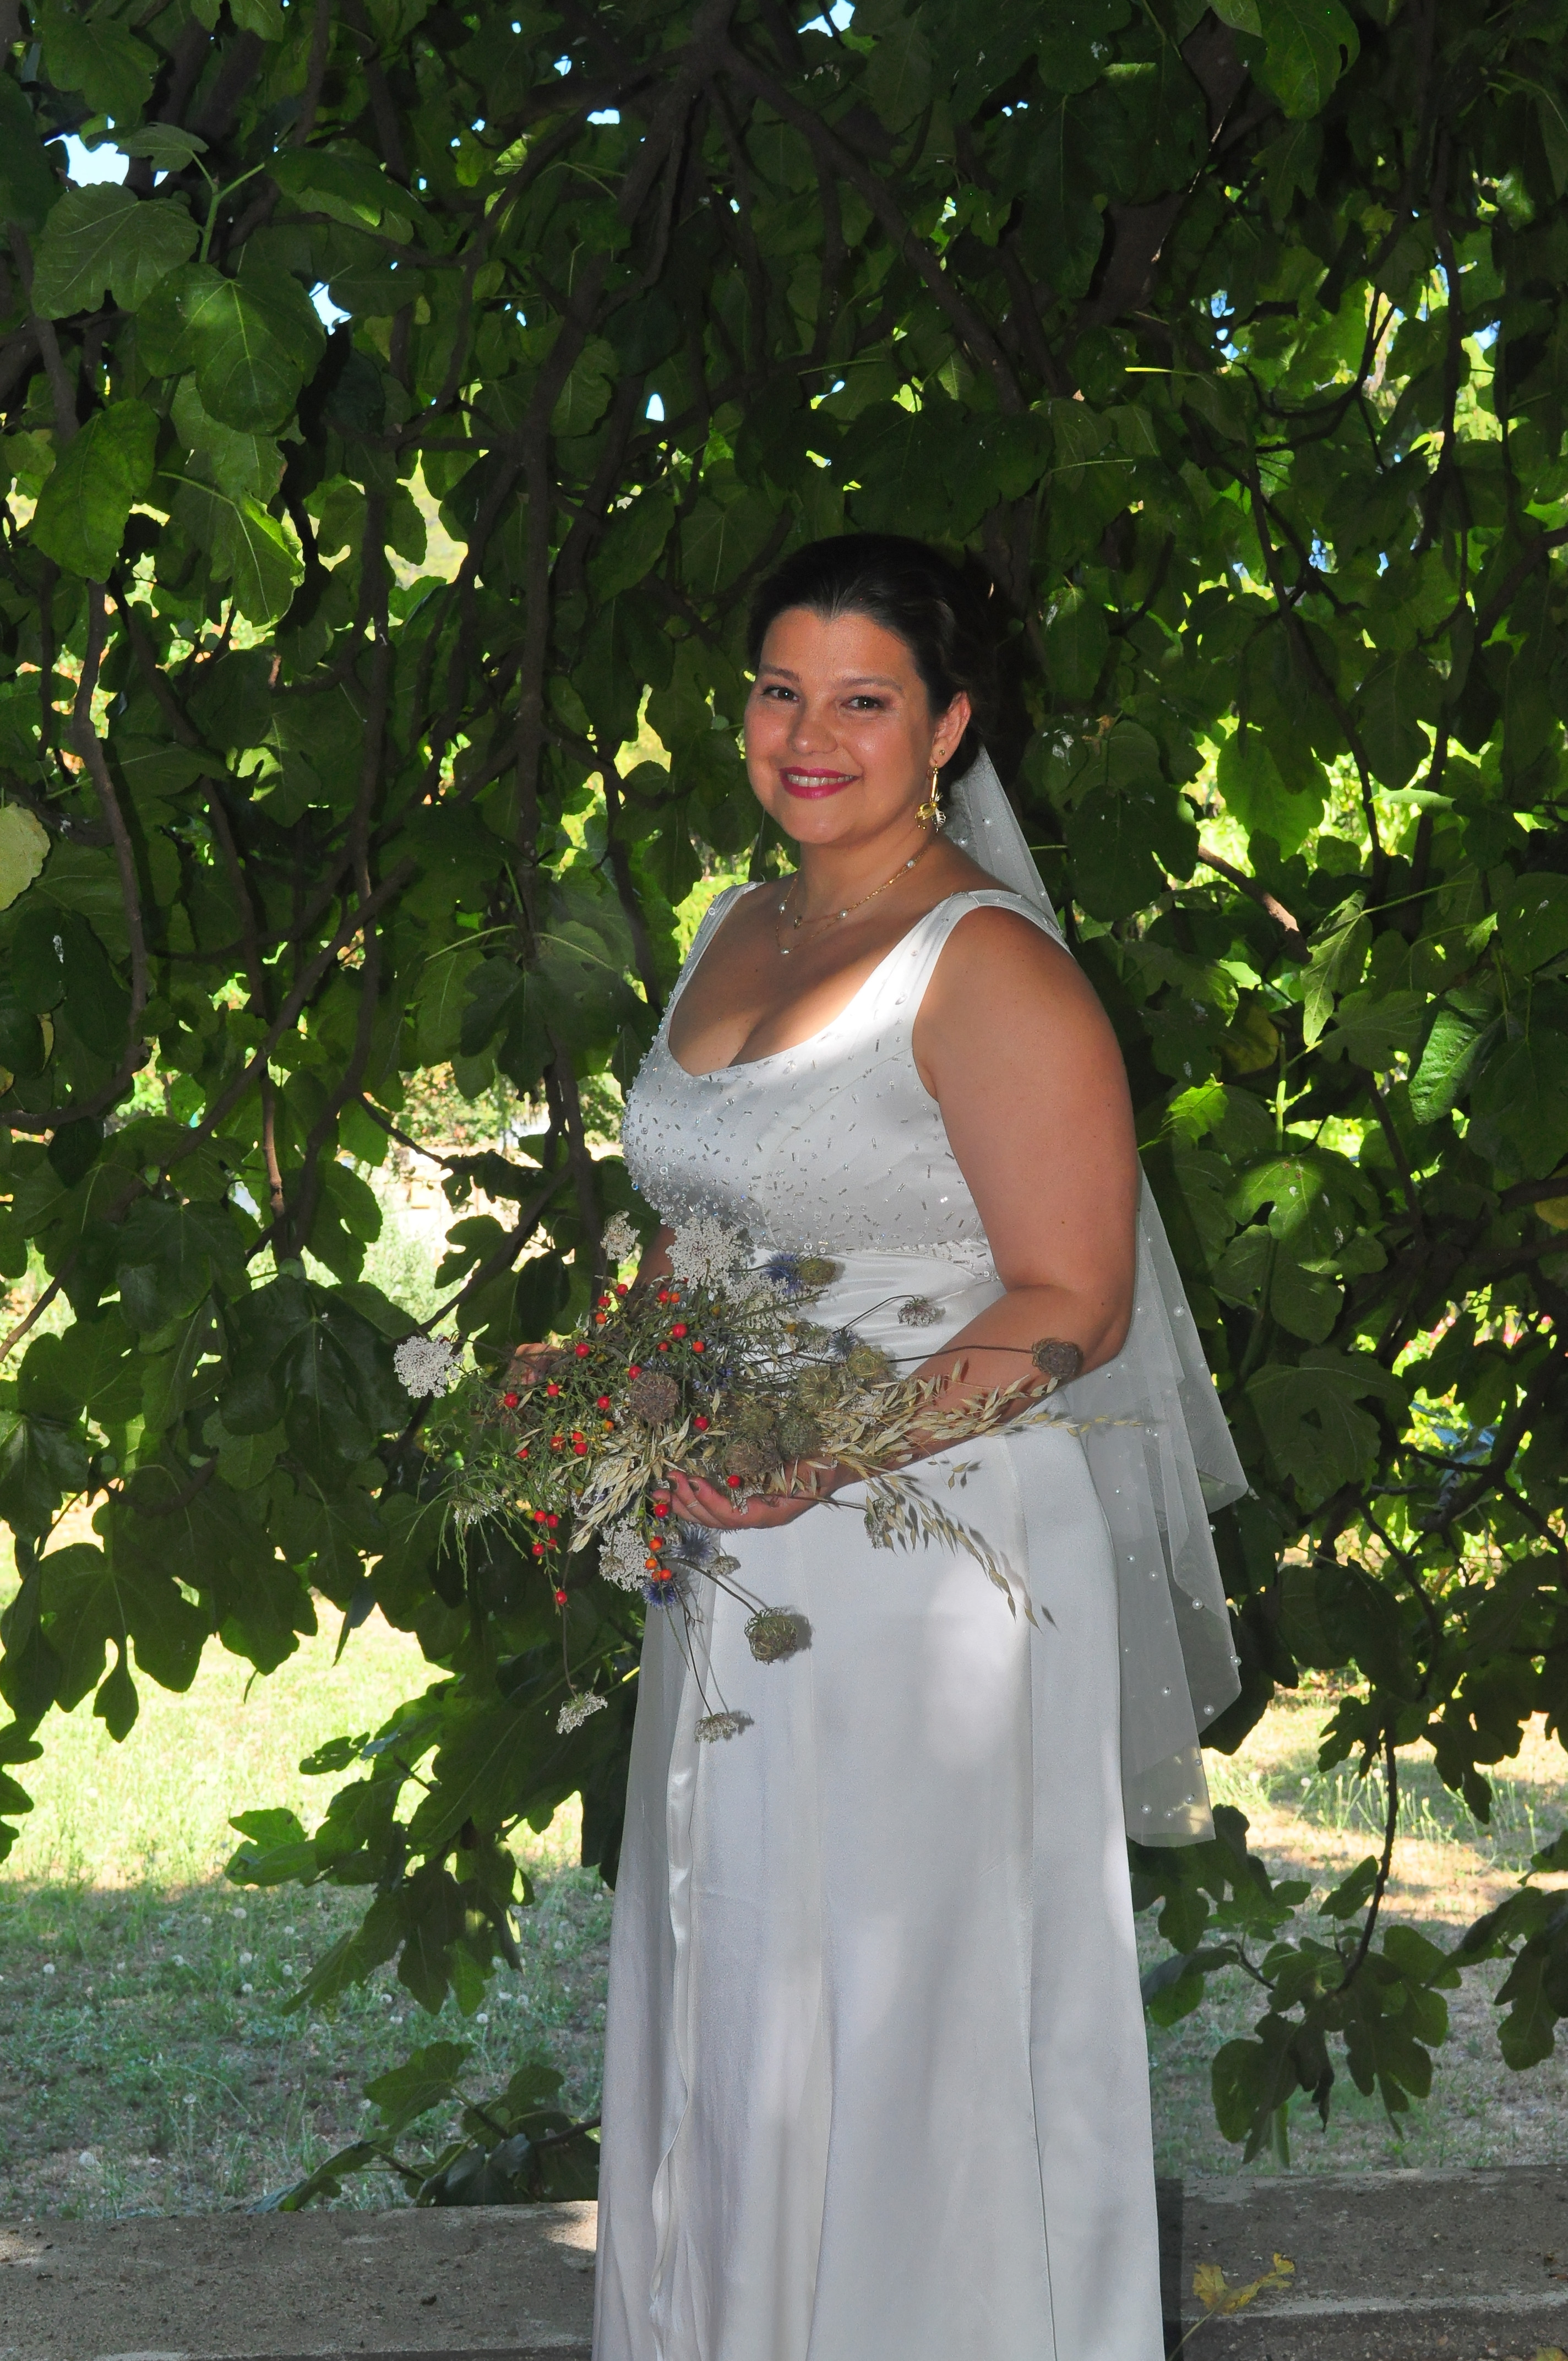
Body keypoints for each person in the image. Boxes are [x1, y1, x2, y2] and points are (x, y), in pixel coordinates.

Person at [590, 533, 1244, 2361]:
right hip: (732, 1556)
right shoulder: (737, 926)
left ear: (947, 728)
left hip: (926, 1557)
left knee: (906, 2023)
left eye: (862, 701)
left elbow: (1072, 1297)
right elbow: (696, 1235)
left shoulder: (989, 965)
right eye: (779, 691)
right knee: (736, 1978)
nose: (809, 737)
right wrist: (620, 1397)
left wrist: (824, 1453)